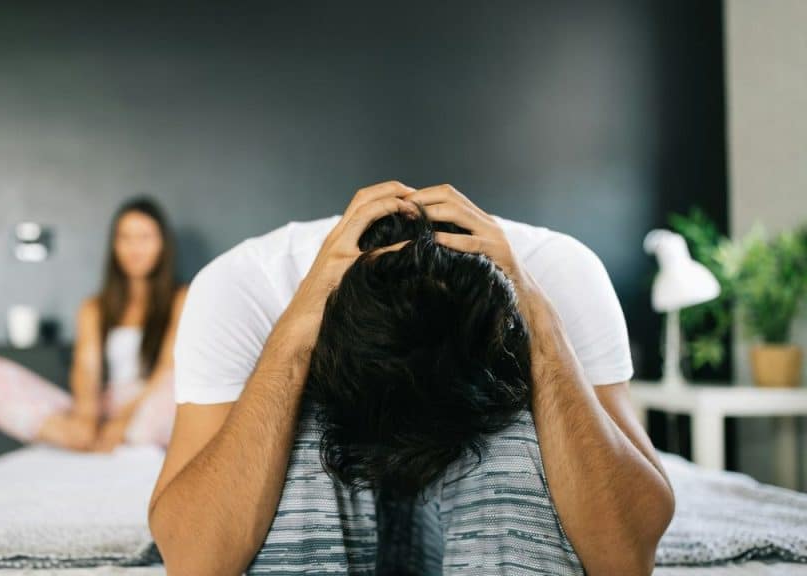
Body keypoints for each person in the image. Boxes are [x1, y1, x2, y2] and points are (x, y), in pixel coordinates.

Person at [148, 182, 675, 575]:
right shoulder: (242, 286)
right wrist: (292, 341)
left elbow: (625, 559)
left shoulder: (561, 272)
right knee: (275, 416)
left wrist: (542, 329)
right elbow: (195, 562)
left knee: (542, 415)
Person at [0, 197, 188, 453]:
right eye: (125, 238)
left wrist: (124, 421)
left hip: (150, 405)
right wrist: (86, 418)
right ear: (114, 245)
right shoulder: (94, 307)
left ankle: (125, 437)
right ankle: (81, 438)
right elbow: (86, 370)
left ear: (163, 243)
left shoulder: (181, 299)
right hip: (104, 406)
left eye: (144, 238)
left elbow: (167, 369)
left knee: (179, 387)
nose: (134, 248)